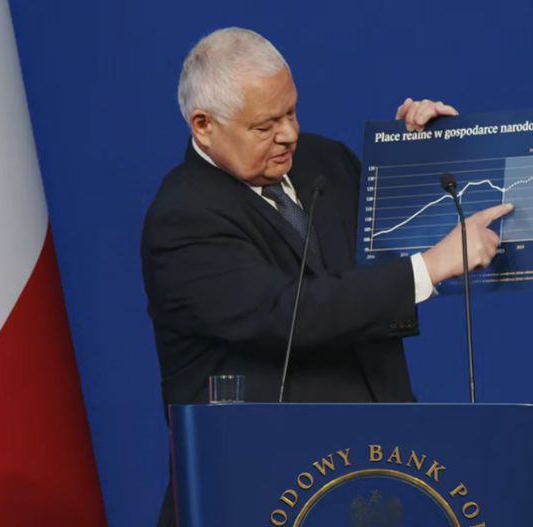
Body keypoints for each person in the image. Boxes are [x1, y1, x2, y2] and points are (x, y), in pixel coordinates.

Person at [140, 27, 512, 526]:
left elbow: (388, 256)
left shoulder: (326, 161)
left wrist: (422, 156)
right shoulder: (183, 216)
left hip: (378, 478)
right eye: (265, 125)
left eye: (291, 111)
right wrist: (428, 267)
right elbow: (288, 314)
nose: (289, 134)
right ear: (204, 125)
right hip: (259, 495)